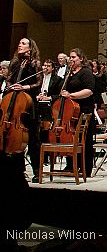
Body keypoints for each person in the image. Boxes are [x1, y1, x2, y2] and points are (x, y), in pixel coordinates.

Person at [4, 38, 42, 183]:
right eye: (19, 43)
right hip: (14, 103)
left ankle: (37, 171)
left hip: (29, 103)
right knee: (13, 137)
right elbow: (9, 79)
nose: (20, 45)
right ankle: (17, 169)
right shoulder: (14, 63)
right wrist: (11, 86)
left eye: (24, 43)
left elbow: (38, 83)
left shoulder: (35, 64)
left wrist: (23, 87)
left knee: (33, 139)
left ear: (30, 48)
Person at [61, 48, 96, 177]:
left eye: (74, 57)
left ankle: (85, 169)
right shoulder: (69, 73)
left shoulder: (86, 72)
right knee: (70, 137)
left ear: (81, 59)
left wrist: (71, 95)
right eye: (70, 57)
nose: (71, 59)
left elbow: (89, 90)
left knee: (85, 141)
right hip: (70, 112)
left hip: (83, 111)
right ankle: (71, 165)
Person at [36, 59, 63, 165]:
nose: (45, 67)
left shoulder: (57, 80)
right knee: (38, 130)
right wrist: (37, 96)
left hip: (50, 107)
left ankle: (48, 155)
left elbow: (59, 95)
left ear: (52, 68)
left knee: (47, 131)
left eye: (48, 66)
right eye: (44, 65)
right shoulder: (39, 79)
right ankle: (39, 155)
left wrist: (49, 98)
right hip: (38, 106)